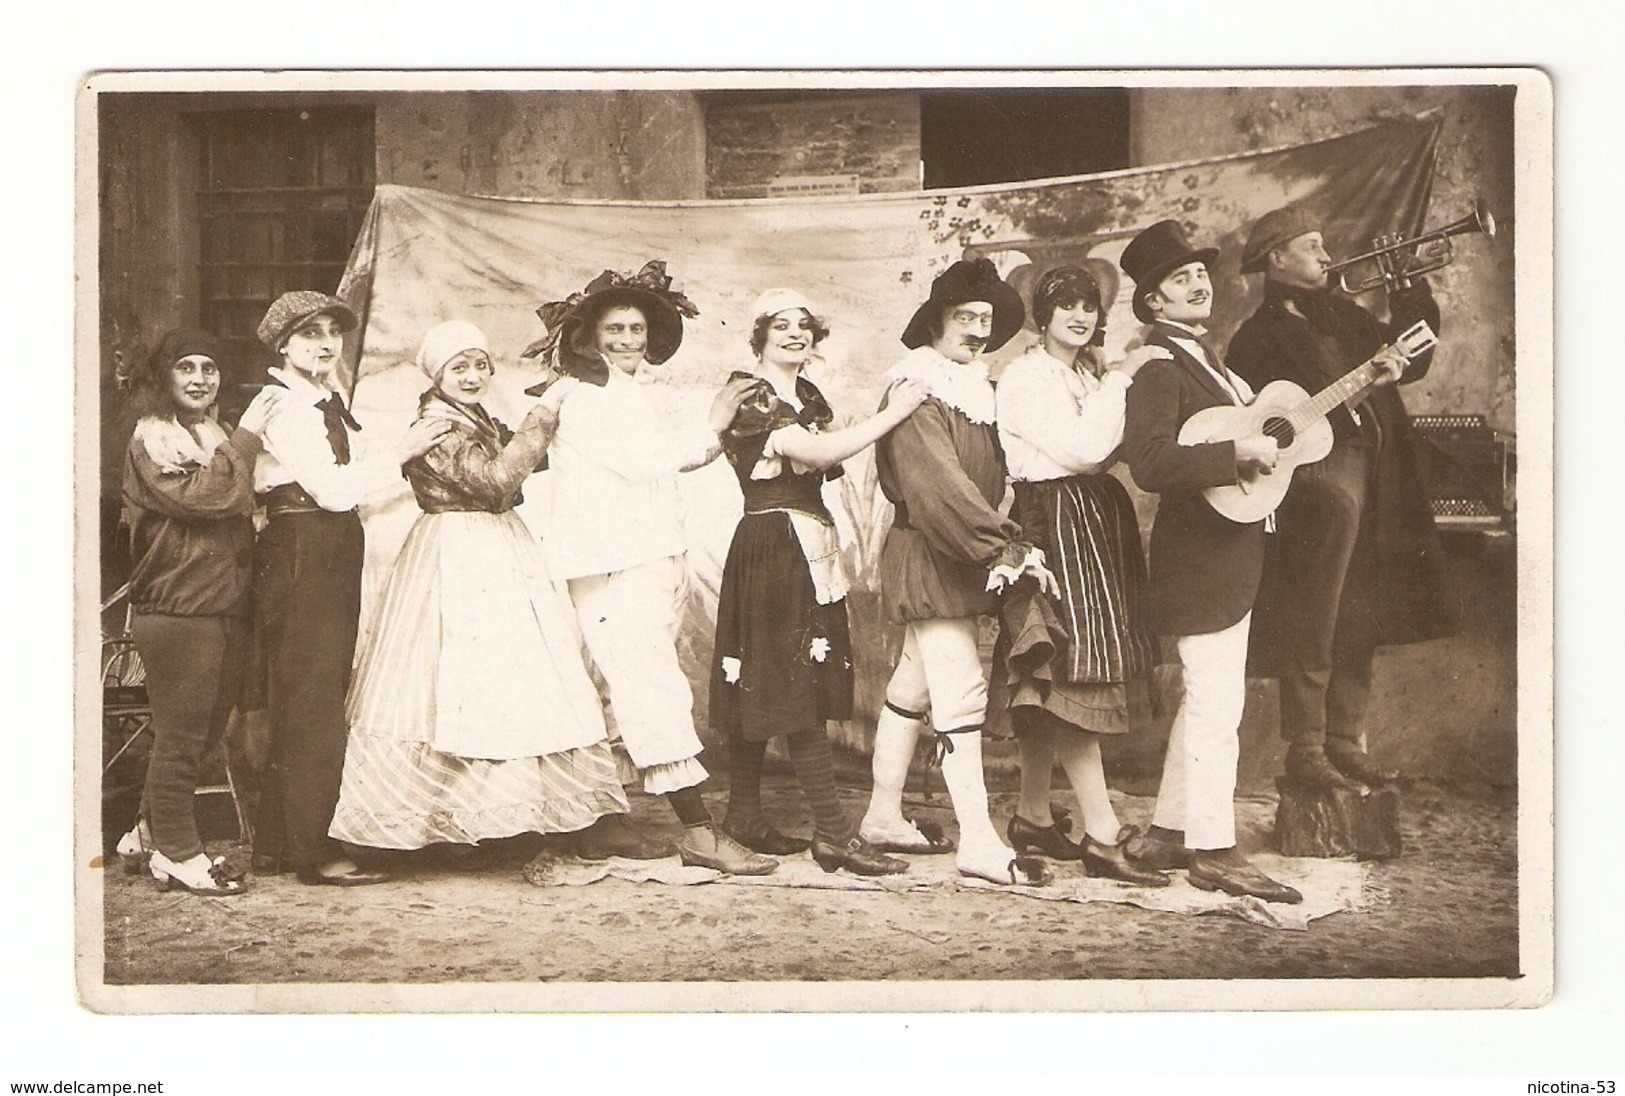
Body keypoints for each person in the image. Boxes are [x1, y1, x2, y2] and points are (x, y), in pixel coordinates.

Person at [328, 321, 631, 859]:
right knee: (453, 683)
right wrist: (544, 417)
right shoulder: (438, 424)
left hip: (497, 545)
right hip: (456, 550)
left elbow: (525, 460)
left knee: (508, 679)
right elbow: (494, 481)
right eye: (459, 367)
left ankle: (511, 819)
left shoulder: (474, 416)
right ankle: (443, 821)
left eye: (480, 365)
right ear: (438, 375)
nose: (472, 376)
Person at [531, 261, 774, 875]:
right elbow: (647, 463)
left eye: (637, 330)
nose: (628, 341)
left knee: (621, 690)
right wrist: (716, 420)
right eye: (614, 330)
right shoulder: (584, 399)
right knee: (650, 690)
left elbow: (666, 467)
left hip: (645, 558)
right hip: (612, 564)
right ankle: (699, 832)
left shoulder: (629, 392)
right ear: (588, 336)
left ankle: (602, 825)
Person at [1225, 206, 1461, 789]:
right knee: (1315, 613)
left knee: (1362, 608)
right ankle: (1305, 751)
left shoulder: (1346, 313)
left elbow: (1413, 359)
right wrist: (1361, 387)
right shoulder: (1257, 337)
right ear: (1277, 259)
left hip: (1379, 473)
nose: (1328, 257)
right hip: (1318, 486)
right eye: (1312, 246)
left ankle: (1345, 740)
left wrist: (1410, 291)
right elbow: (1266, 424)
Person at [709, 290, 928, 876]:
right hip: (773, 546)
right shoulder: (751, 395)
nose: (794, 335)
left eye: (803, 327)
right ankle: (833, 833)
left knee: (766, 676)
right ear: (758, 337)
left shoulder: (804, 394)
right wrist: (896, 413)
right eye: (780, 326)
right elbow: (822, 449)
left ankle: (745, 816)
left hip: (806, 545)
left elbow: (820, 456)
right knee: (792, 680)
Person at [856, 258, 1059, 888]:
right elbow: (937, 488)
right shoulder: (918, 389)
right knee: (961, 689)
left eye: (985, 320)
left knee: (913, 689)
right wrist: (1003, 547)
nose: (976, 330)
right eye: (964, 318)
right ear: (937, 322)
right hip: (931, 552)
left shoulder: (972, 388)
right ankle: (977, 840)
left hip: (957, 553)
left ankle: (882, 816)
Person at [1116, 220, 1302, 904]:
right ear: (1153, 304)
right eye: (1178, 278)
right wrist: (1236, 456)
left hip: (1228, 551)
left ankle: (1169, 830)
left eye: (1199, 273)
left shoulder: (1212, 365)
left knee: (1207, 698)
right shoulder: (1160, 366)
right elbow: (1150, 462)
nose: (1197, 282)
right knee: (1217, 701)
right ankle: (1215, 853)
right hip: (1197, 558)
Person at [243, 291, 451, 886]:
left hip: (329, 546)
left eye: (333, 332)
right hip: (302, 547)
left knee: (315, 691)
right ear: (283, 346)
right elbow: (333, 490)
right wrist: (403, 451)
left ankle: (280, 845)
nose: (325, 344)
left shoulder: (328, 403)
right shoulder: (284, 405)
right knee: (310, 701)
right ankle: (313, 853)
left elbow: (355, 492)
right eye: (310, 335)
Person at [992, 264, 1172, 887]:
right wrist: (1121, 379)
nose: (1079, 315)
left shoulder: (1081, 373)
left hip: (1092, 516)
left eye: (1088, 305)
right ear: (1041, 317)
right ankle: (1101, 834)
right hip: (1052, 520)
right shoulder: (1024, 376)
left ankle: (1034, 815)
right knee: (1073, 672)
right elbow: (1083, 451)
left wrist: (1110, 384)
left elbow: (1110, 449)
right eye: (1063, 305)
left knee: (1060, 673)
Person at [116, 328, 284, 895]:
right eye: (185, 367)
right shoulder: (153, 441)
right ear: (164, 378)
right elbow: (210, 498)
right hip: (179, 608)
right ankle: (179, 852)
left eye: (208, 368)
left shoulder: (206, 435)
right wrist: (249, 436)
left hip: (219, 604)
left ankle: (145, 832)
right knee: (184, 736)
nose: (198, 379)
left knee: (200, 731)